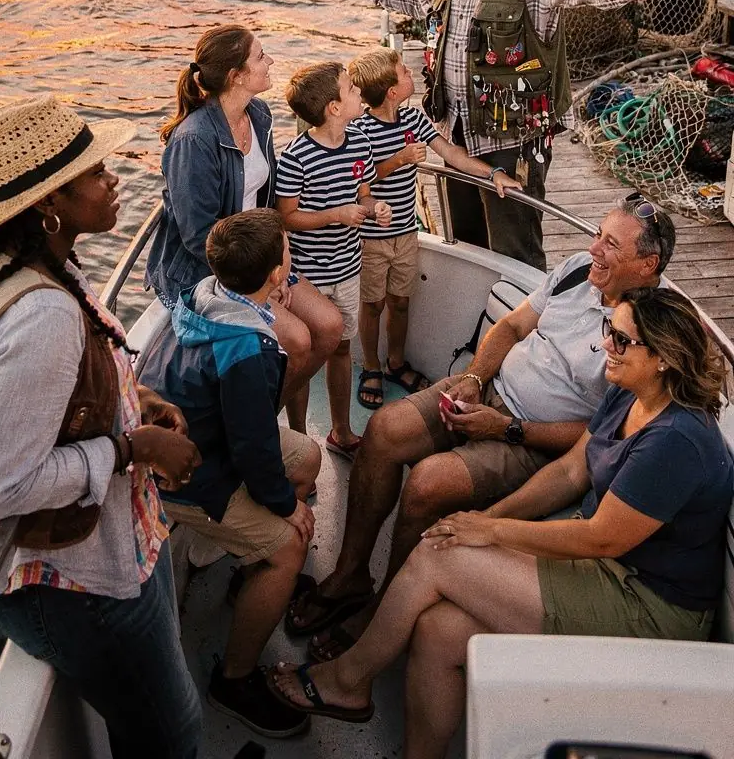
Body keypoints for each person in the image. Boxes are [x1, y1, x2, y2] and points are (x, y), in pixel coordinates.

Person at [271, 287, 733, 759]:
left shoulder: (676, 442)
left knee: (438, 554)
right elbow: (572, 469)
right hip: (608, 569)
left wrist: (489, 532)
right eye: (608, 331)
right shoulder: (629, 394)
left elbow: (601, 539)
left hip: (646, 604)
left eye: (621, 339)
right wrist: (484, 518)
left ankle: (349, 681)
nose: (605, 346)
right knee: (438, 631)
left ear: (663, 358)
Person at [0, 96, 203, 759]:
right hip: (77, 585)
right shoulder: (44, 316)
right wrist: (132, 445)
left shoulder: (34, 265)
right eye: (96, 173)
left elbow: (47, 395)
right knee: (172, 737)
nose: (115, 180)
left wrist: (130, 397)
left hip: (110, 550)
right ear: (49, 203)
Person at [287, 194, 674, 651]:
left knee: (428, 483)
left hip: (529, 439)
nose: (594, 249)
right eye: (597, 234)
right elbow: (510, 328)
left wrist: (503, 428)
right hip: (486, 388)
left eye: (611, 244)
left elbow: (598, 431)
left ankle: (385, 607)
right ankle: (350, 576)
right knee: (384, 429)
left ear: (648, 264)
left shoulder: (648, 335)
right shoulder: (576, 271)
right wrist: (473, 377)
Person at [322, 0, 707, 270]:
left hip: (511, 143)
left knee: (515, 256)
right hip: (454, 134)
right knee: (465, 251)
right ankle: (476, 333)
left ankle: (521, 333)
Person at [139, 209, 321, 738]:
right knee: (290, 545)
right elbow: (250, 446)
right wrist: (288, 508)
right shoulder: (247, 351)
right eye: (286, 252)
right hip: (190, 473)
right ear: (272, 275)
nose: (290, 257)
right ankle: (235, 681)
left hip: (206, 439)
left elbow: (252, 435)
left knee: (306, 457)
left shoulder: (205, 293)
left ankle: (251, 571)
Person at [146, 23, 342, 433]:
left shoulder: (259, 114)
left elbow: (267, 201)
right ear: (236, 75)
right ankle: (252, 435)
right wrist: (264, 280)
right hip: (213, 267)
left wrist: (280, 265)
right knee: (298, 340)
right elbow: (199, 237)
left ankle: (267, 426)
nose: (269, 62)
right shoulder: (192, 140)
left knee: (328, 327)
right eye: (260, 56)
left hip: (260, 254)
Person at [348, 45, 522, 409]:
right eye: (404, 72)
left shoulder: (413, 120)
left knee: (400, 301)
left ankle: (395, 362)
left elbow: (453, 154)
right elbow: (358, 183)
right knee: (373, 304)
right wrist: (399, 160)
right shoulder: (359, 130)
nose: (412, 73)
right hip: (370, 238)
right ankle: (371, 366)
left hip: (405, 234)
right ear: (391, 91)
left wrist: (493, 173)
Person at [276, 61, 392, 457]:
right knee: (307, 350)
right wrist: (336, 215)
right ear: (333, 108)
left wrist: (375, 206)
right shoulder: (295, 158)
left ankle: (340, 432)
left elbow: (362, 194)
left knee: (342, 348)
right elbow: (286, 218)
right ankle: (298, 438)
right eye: (350, 89)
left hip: (348, 268)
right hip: (308, 274)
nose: (359, 92)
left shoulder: (360, 143)